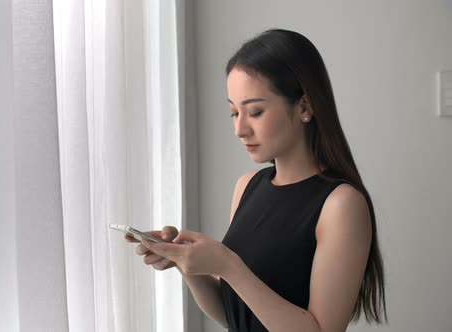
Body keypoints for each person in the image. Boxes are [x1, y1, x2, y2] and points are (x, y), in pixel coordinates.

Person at [125, 28, 387, 332]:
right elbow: (234, 315)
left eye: (255, 112)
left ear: (304, 106)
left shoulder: (341, 204)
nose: (240, 129)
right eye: (234, 113)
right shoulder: (247, 186)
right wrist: (188, 264)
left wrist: (227, 265)